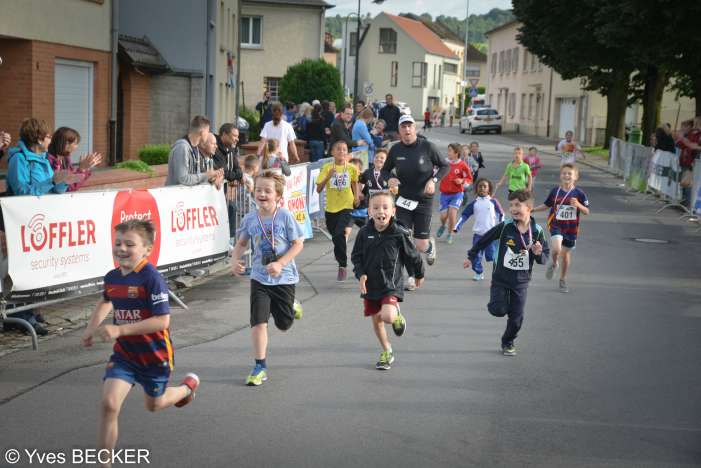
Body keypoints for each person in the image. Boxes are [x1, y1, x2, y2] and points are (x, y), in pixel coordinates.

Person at [81, 220, 200, 462]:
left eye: (129, 244)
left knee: (154, 405)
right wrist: (91, 328)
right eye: (117, 243)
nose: (121, 248)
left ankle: (186, 389)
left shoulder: (151, 278)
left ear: (147, 249)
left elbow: (162, 321)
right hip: (125, 354)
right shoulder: (112, 277)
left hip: (154, 355)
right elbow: (106, 301)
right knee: (109, 404)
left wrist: (120, 329)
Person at [231, 170, 304, 386]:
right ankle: (260, 366)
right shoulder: (250, 219)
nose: (262, 194)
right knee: (258, 322)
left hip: (284, 278)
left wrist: (281, 263)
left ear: (278, 196)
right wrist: (234, 260)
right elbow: (241, 243)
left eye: (267, 191)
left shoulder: (285, 216)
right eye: (259, 190)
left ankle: (291, 305)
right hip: (260, 278)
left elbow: (298, 244)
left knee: (284, 324)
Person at [463, 190, 548, 356]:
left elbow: (543, 258)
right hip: (500, 278)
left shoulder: (537, 231)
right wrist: (471, 256)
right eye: (511, 205)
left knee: (517, 319)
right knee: (498, 310)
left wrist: (538, 253)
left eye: (517, 205)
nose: (513, 209)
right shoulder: (505, 227)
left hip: (521, 282)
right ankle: (502, 303)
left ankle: (508, 341)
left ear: (529, 208)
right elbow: (484, 239)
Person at [351, 191, 425, 370]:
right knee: (377, 321)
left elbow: (413, 255)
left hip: (391, 284)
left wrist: (418, 274)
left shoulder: (398, 233)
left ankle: (396, 314)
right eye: (376, 207)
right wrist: (361, 274)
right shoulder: (364, 233)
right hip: (371, 286)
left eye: (385, 207)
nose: (380, 211)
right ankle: (387, 350)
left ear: (393, 211)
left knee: (387, 316)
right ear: (369, 211)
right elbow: (356, 257)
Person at [382, 114, 449, 288]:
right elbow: (384, 171)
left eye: (409, 126)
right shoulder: (395, 150)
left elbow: (445, 165)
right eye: (403, 127)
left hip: (423, 200)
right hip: (403, 200)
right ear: (399, 131)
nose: (407, 130)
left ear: (415, 128)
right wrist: (390, 179)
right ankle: (412, 275)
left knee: (420, 244)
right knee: (404, 238)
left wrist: (433, 180)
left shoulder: (427, 147)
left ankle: (429, 247)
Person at [532, 163, 590, 293]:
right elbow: (546, 205)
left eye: (570, 173)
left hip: (571, 229)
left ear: (575, 177)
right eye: (564, 173)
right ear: (560, 176)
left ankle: (563, 279)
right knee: (556, 249)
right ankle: (554, 263)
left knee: (565, 255)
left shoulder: (579, 193)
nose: (566, 175)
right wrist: (533, 210)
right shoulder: (555, 191)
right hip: (556, 225)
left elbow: (587, 211)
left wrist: (578, 205)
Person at [316, 140, 360, 282]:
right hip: (331, 208)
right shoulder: (327, 167)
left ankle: (342, 265)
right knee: (336, 236)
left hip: (347, 205)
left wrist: (356, 196)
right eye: (339, 149)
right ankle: (339, 251)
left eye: (344, 149)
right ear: (332, 152)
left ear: (347, 152)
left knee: (339, 233)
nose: (342, 152)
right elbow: (318, 189)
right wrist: (328, 177)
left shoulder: (352, 168)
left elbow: (355, 182)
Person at [6, 118, 80, 196]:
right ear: (39, 140)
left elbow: (53, 189)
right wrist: (52, 182)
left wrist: (64, 182)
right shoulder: (19, 159)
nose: (51, 141)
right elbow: (21, 192)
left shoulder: (44, 159)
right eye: (49, 137)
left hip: (46, 204)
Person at [454, 178, 504, 281]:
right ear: (476, 189)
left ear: (489, 189)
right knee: (475, 256)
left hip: (492, 235)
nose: (482, 188)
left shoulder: (493, 202)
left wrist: (502, 226)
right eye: (480, 186)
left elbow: (501, 214)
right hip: (478, 235)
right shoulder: (474, 204)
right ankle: (478, 272)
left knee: (492, 256)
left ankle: (500, 273)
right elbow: (464, 215)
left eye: (485, 186)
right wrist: (457, 226)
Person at [165, 115, 222, 186]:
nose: (208, 134)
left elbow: (195, 178)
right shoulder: (182, 147)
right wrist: (206, 175)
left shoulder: (195, 148)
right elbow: (183, 179)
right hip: (176, 192)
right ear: (202, 132)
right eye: (208, 131)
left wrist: (212, 179)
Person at [436, 143, 473, 244]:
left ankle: (450, 234)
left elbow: (469, 179)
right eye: (448, 150)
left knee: (452, 215)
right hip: (444, 193)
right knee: (443, 216)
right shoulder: (444, 162)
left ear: (456, 153)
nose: (448, 153)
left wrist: (462, 180)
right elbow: (436, 171)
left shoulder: (462, 165)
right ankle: (443, 225)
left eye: (450, 151)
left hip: (457, 194)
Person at [47, 127, 102, 192]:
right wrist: (82, 169)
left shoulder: (65, 159)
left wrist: (83, 169)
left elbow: (71, 182)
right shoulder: (49, 161)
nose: (76, 147)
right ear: (66, 143)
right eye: (75, 143)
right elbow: (67, 188)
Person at [214, 124, 243, 240]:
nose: (237, 139)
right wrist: (234, 176)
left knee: (231, 208)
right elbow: (224, 172)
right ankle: (227, 241)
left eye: (237, 136)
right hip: (213, 190)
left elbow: (238, 170)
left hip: (223, 191)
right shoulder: (215, 148)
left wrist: (234, 175)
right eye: (234, 136)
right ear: (224, 135)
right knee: (230, 208)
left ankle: (229, 240)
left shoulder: (231, 148)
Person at [349, 157, 368, 227]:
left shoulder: (365, 179)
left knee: (366, 230)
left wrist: (363, 196)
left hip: (363, 212)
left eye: (354, 168)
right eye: (350, 168)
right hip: (350, 212)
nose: (352, 170)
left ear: (360, 170)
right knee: (346, 231)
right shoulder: (346, 180)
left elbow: (366, 195)